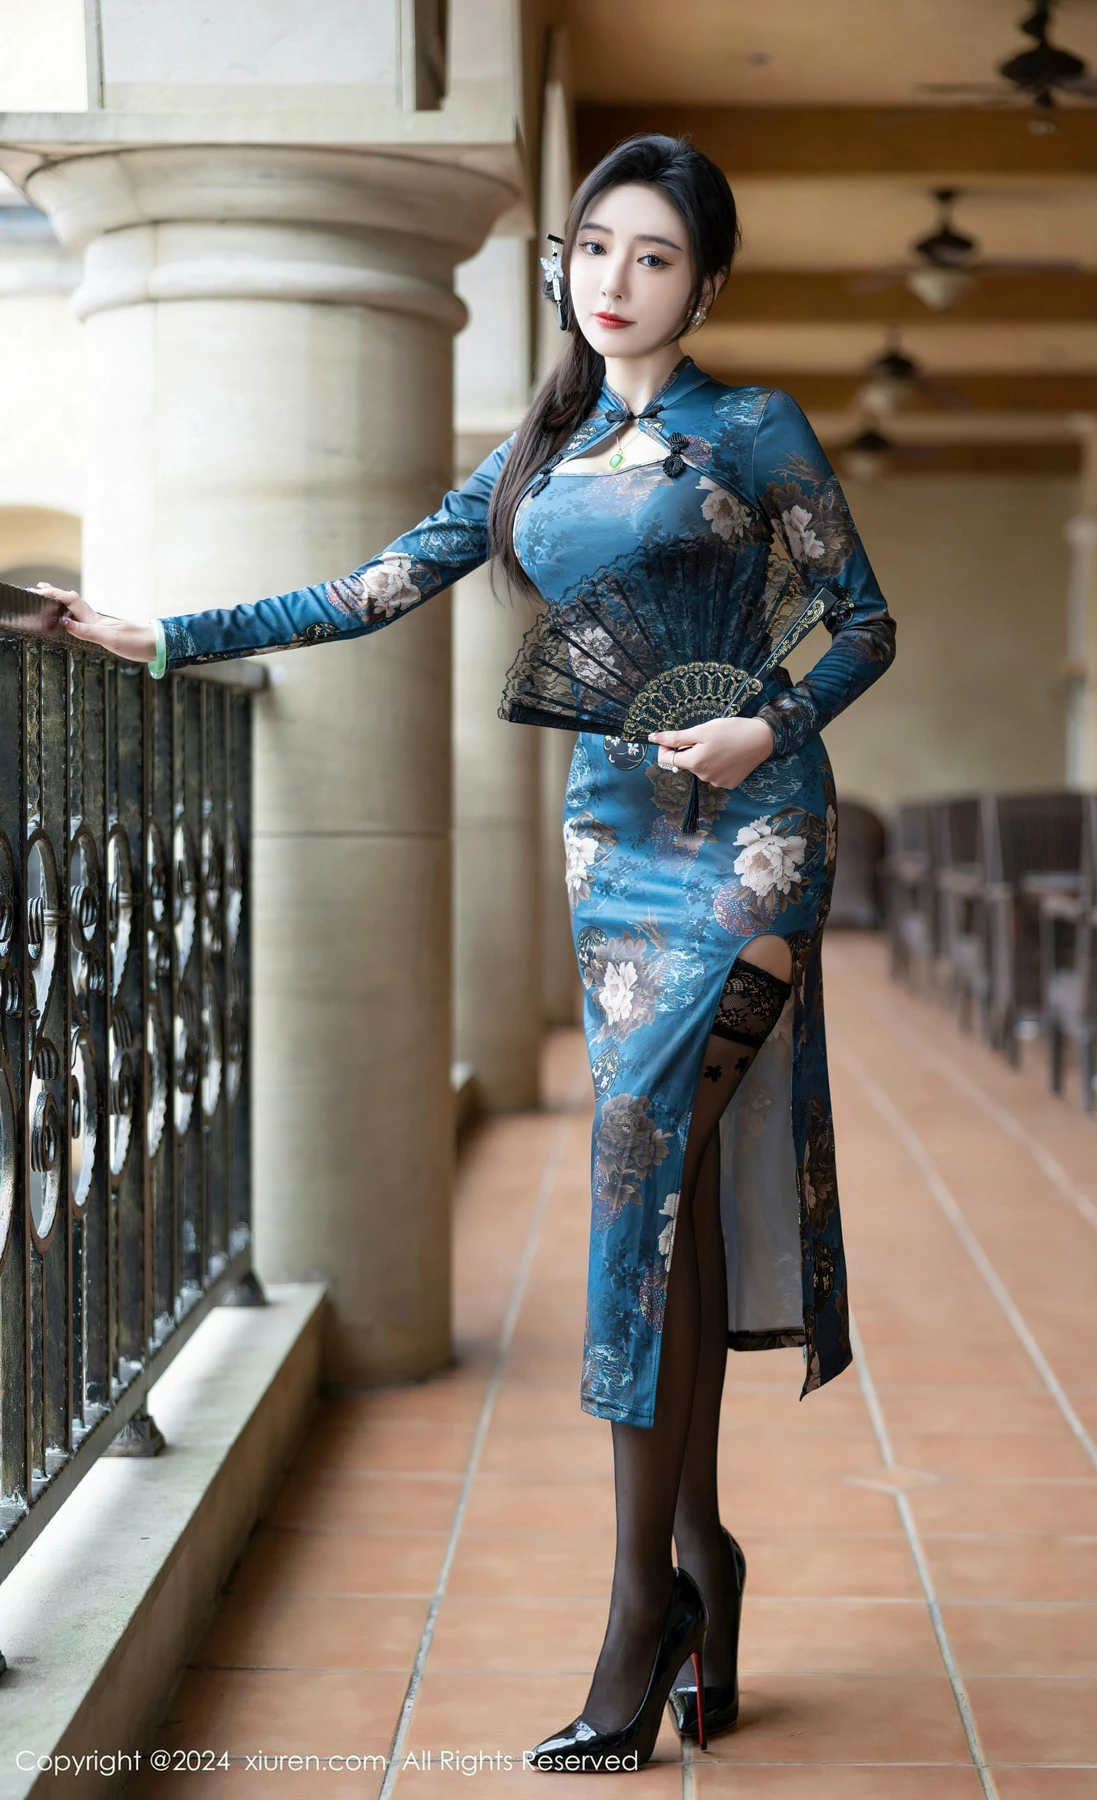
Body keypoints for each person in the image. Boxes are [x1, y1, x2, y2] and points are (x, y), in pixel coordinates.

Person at [44, 134, 896, 1772]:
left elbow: (863, 619)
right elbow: (374, 587)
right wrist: (157, 635)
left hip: (751, 835)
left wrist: (765, 723)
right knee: (665, 1186)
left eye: (654, 256)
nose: (616, 279)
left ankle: (639, 1613)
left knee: (642, 1161)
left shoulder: (752, 428)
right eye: (595, 247)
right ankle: (703, 1561)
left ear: (705, 283)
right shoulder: (538, 454)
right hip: (610, 847)